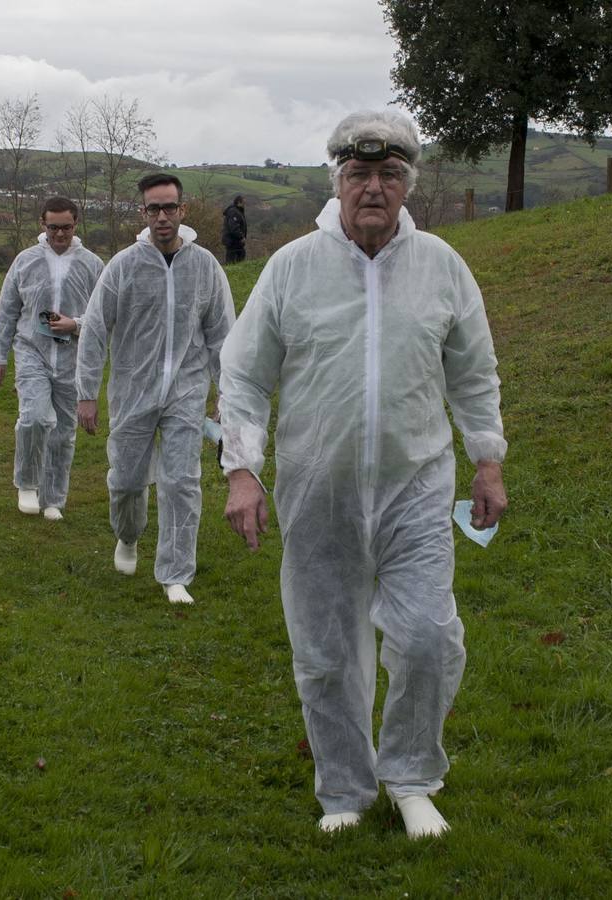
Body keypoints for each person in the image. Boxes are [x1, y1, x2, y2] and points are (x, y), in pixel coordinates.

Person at [218, 110, 508, 839]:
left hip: (417, 486)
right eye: (358, 175)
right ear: (337, 182)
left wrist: (487, 458)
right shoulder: (293, 268)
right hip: (318, 490)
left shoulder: (442, 266)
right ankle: (344, 789)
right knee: (325, 648)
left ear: (408, 184)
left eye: (388, 175)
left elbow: (473, 373)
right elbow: (244, 376)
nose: (373, 189)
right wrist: (242, 469)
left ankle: (412, 777)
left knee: (427, 638)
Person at [76, 173, 236, 605]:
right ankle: (127, 536)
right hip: (133, 389)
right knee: (126, 481)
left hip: (186, 390)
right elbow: (93, 328)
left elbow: (222, 333)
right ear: (143, 213)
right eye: (154, 208)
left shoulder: (205, 266)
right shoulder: (124, 265)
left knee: (182, 481)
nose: (162, 216)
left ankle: (175, 573)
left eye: (169, 208)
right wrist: (86, 392)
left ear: (183, 211)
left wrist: (227, 394)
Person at [0, 197, 104, 520]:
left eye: (66, 227)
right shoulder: (25, 261)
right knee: (36, 417)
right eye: (53, 227)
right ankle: (27, 482)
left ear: (76, 224)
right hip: (31, 350)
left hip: (72, 356)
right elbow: (7, 309)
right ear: (43, 225)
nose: (60, 234)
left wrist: (75, 324)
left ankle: (53, 498)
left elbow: (105, 314)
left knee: (63, 431)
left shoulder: (93, 265)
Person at [221, 194, 248, 264]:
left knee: (241, 256)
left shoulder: (238, 211)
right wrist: (241, 237)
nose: (245, 203)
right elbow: (234, 227)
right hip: (232, 241)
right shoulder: (233, 212)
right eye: (244, 202)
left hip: (236, 241)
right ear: (239, 202)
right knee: (231, 261)